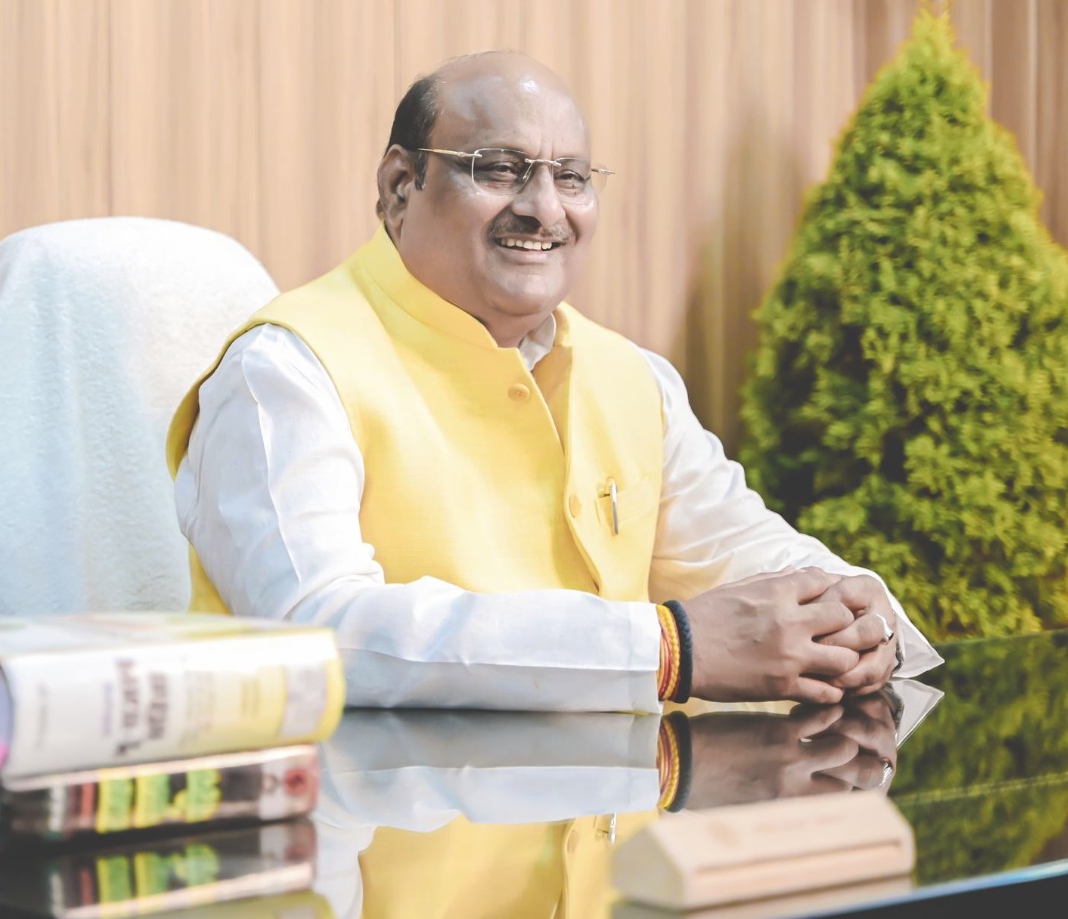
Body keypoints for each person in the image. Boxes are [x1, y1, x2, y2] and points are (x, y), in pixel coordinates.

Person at [167, 50, 940, 713]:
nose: (543, 210)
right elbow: (320, 636)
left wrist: (857, 612)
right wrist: (666, 648)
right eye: (500, 169)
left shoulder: (633, 379)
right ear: (401, 185)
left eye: (571, 177)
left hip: (612, 826)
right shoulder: (286, 372)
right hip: (366, 825)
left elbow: (747, 551)